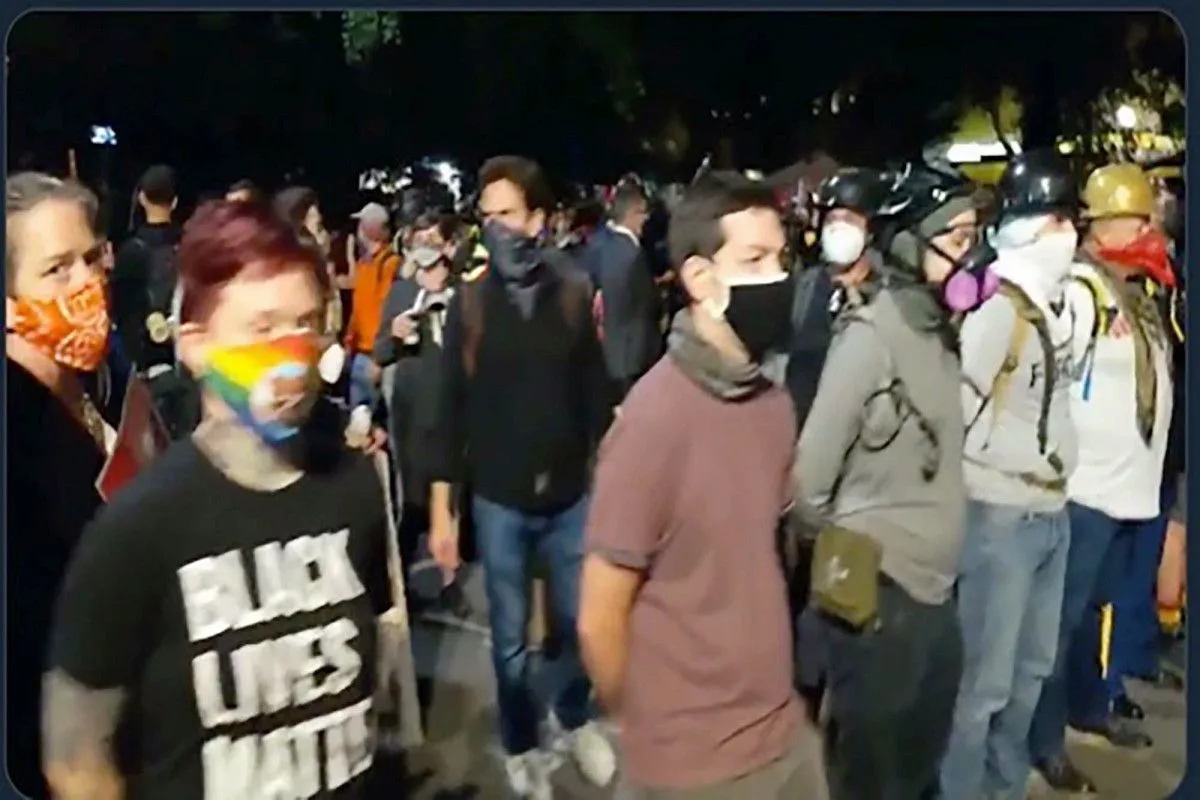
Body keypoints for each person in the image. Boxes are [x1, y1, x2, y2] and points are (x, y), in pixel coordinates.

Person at [41, 200, 394, 799]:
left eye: (307, 323)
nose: (294, 349)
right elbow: (76, 758)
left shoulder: (355, 486)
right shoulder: (138, 529)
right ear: (195, 345)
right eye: (264, 327)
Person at [579, 171, 827, 799]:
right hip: (694, 767)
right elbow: (599, 617)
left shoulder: (772, 404)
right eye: (754, 259)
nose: (779, 277)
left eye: (782, 258)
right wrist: (646, 726)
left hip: (784, 736)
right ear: (699, 279)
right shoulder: (654, 421)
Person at [793, 162, 995, 800]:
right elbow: (806, 485)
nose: (976, 255)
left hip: (933, 599)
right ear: (911, 244)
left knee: (918, 774)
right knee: (873, 779)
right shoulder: (870, 335)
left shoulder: (934, 329)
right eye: (959, 240)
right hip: (882, 603)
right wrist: (859, 559)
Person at [427, 155, 616, 798]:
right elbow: (447, 411)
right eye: (488, 218)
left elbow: (598, 397)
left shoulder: (572, 290)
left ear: (538, 218)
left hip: (571, 497)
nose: (498, 228)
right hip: (500, 500)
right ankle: (519, 738)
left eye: (509, 214)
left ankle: (571, 713)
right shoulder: (470, 305)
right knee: (509, 638)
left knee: (573, 622)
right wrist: (440, 513)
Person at [939, 151, 1080, 800]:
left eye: (1066, 218)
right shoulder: (997, 310)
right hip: (999, 515)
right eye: (1053, 220)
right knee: (984, 689)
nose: (1066, 232)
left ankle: (1003, 786)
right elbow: (958, 413)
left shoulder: (1052, 308)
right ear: (1022, 227)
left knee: (1030, 676)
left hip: (1052, 515)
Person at [1028, 162, 1171, 790]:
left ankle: (1091, 709)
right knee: (1059, 625)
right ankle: (1043, 740)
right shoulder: (1082, 289)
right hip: (1086, 488)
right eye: (1137, 220)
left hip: (1128, 487)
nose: (1150, 229)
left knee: (1097, 616)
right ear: (1107, 224)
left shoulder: (1141, 290)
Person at [6, 172, 113, 799]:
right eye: (57, 270)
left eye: (91, 259)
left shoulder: (98, 383)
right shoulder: (15, 431)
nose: (87, 284)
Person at [786, 167, 890, 433]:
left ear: (871, 230)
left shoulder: (886, 295)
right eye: (832, 219)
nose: (838, 229)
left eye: (850, 220)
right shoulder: (805, 286)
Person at [584, 182, 663, 401]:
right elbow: (645, 302)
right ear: (634, 213)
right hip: (634, 353)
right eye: (644, 213)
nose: (647, 219)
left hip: (609, 354)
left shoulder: (598, 244)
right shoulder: (630, 254)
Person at [342, 201, 400, 410]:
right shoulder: (364, 263)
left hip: (375, 357)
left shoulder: (390, 263)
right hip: (359, 353)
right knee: (359, 419)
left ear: (369, 229)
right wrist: (349, 342)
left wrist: (379, 357)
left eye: (360, 225)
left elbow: (387, 311)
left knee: (375, 419)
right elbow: (359, 307)